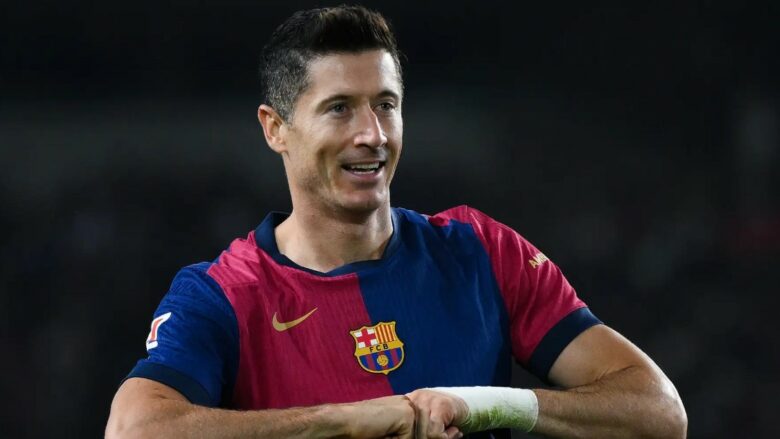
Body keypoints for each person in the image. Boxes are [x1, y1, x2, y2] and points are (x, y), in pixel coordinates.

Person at [106, 5, 687, 438]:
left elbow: (659, 411)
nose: (372, 134)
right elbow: (134, 430)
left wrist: (487, 406)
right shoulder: (223, 295)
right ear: (275, 128)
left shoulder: (479, 251)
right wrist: (344, 422)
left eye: (385, 105)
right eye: (340, 108)